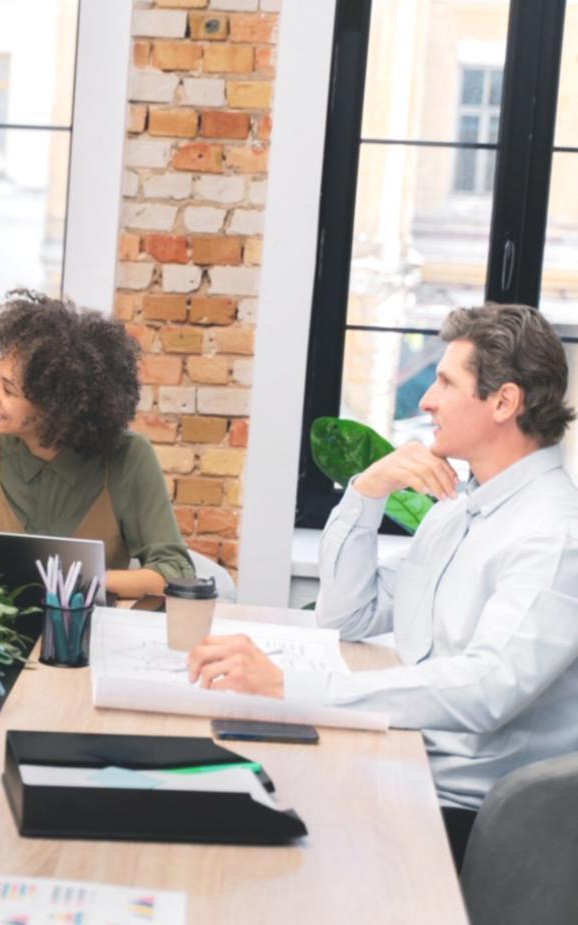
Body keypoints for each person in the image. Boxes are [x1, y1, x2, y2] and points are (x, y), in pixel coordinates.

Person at [186, 303, 578, 867]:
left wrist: (288, 685)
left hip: (466, 818)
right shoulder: (455, 510)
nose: (425, 400)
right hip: (406, 765)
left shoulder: (555, 534)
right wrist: (367, 491)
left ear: (504, 401)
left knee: (246, 844)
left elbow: (486, 690)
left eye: (445, 382)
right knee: (224, 784)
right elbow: (348, 617)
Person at [0, 289, 194, 598]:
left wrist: (83, 582)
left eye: (9, 390)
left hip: (87, 637)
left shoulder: (130, 458)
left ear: (57, 409)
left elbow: (175, 573)